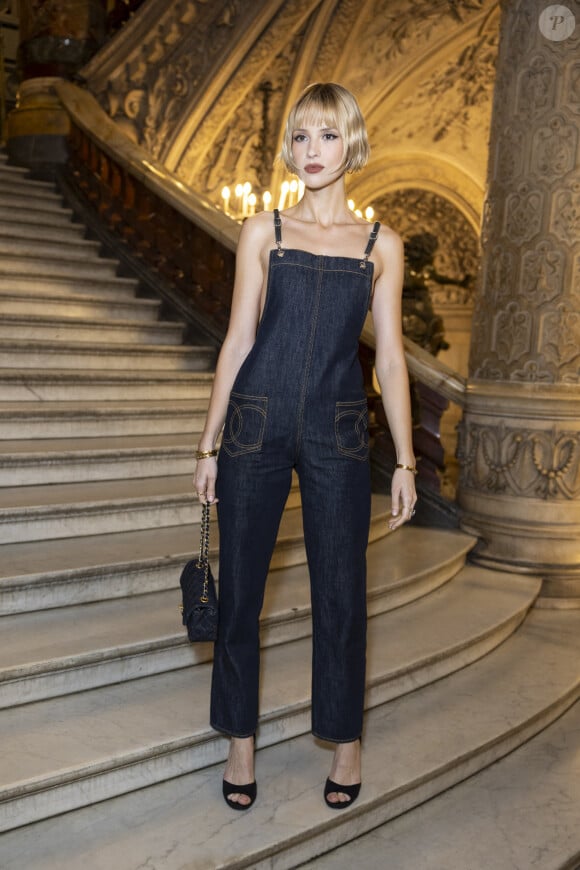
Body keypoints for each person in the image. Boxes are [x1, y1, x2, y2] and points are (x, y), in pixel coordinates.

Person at [193, 82, 417, 812]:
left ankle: (345, 743)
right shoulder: (265, 232)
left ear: (351, 143)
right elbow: (237, 341)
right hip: (256, 422)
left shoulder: (383, 246)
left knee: (342, 595)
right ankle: (240, 740)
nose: (310, 151)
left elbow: (388, 360)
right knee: (241, 598)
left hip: (339, 430)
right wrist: (207, 443)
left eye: (325, 136)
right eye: (299, 137)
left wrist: (408, 460)